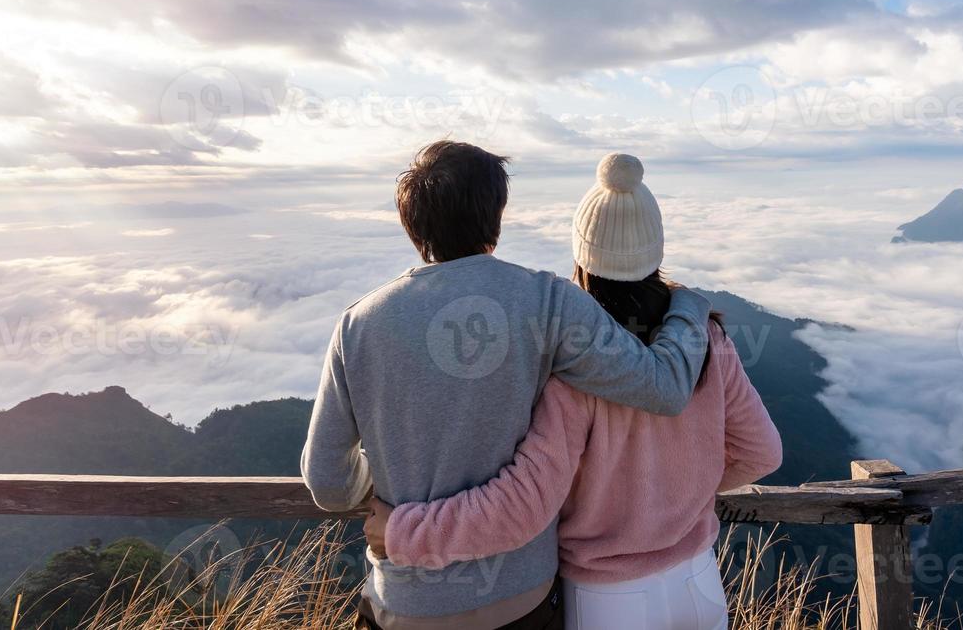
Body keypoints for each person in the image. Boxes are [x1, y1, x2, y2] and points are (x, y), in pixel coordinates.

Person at [300, 141, 713, 630]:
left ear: (412, 226)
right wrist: (689, 306)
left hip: (407, 598)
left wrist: (387, 476)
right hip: (522, 598)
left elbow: (326, 482)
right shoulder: (549, 301)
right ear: (496, 215)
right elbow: (663, 389)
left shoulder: (359, 325)